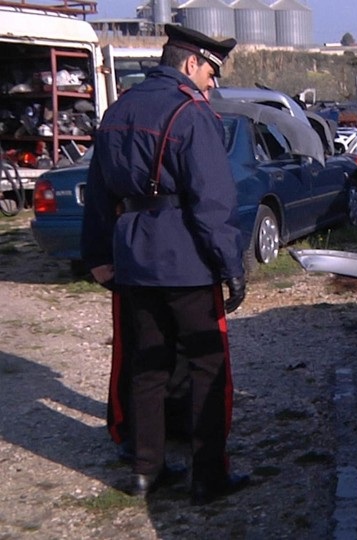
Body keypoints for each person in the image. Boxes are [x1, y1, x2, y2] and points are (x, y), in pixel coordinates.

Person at [81, 24, 248, 505]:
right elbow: (213, 201)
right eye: (211, 71)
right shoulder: (192, 113)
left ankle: (145, 470)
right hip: (188, 262)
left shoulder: (118, 110)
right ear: (191, 63)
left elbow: (98, 194)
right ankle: (208, 476)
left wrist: (97, 256)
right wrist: (231, 265)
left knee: (147, 368)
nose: (213, 83)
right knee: (206, 368)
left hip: (133, 260)